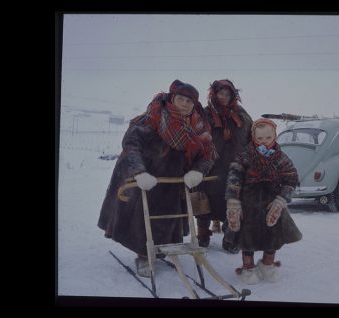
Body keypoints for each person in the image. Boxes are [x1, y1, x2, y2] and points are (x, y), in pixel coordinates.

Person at [98, 80, 216, 278]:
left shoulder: (197, 125)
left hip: (175, 179)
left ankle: (162, 248)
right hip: (147, 175)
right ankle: (143, 256)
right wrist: (139, 172)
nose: (185, 104)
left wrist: (198, 171)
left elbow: (207, 155)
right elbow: (131, 145)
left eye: (189, 101)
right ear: (172, 98)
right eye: (181, 99)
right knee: (141, 218)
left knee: (169, 217)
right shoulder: (151, 118)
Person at [224, 118, 302, 284]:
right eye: (259, 138)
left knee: (273, 236)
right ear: (253, 137)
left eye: (267, 137)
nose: (264, 142)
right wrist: (233, 201)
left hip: (271, 202)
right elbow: (234, 177)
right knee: (247, 237)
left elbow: (292, 178)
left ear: (274, 136)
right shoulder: (245, 156)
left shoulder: (281, 157)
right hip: (248, 203)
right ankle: (248, 267)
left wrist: (281, 199)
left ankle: (267, 264)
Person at [196, 79, 253, 252]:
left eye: (227, 94)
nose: (224, 97)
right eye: (220, 93)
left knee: (233, 202)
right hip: (209, 166)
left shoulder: (242, 115)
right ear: (213, 94)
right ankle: (203, 235)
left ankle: (230, 238)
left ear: (233, 96)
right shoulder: (204, 114)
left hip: (233, 167)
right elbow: (196, 138)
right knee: (203, 200)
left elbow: (250, 139)